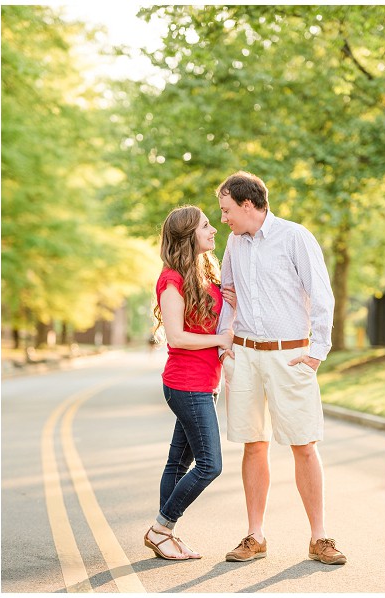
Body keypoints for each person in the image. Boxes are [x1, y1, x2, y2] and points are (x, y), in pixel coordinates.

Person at [215, 171, 346, 565]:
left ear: (248, 204)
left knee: (304, 444)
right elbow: (227, 295)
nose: (223, 219)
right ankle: (255, 536)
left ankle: (319, 538)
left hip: (290, 356)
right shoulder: (234, 243)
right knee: (254, 444)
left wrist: (317, 351)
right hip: (245, 356)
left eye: (226, 210)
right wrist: (225, 345)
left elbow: (322, 295)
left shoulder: (295, 237)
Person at [144, 205, 234, 560]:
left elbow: (213, 323)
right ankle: (161, 528)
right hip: (186, 384)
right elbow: (177, 338)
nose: (214, 230)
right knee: (210, 464)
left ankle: (166, 534)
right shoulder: (172, 279)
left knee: (178, 464)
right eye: (206, 226)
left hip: (203, 383)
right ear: (188, 236)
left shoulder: (202, 273)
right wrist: (220, 340)